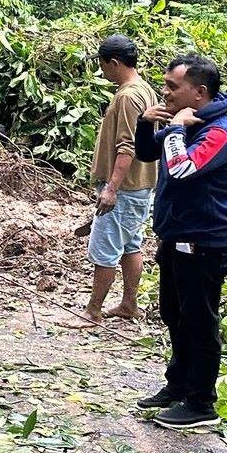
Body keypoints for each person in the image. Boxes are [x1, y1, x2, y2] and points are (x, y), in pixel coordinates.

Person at [133, 54, 227, 430]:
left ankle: (201, 403)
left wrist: (177, 129)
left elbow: (181, 169)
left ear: (198, 92)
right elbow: (149, 153)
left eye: (171, 87)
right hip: (175, 238)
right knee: (174, 315)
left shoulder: (220, 132)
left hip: (206, 244)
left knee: (199, 322)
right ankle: (177, 385)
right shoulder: (185, 121)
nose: (164, 93)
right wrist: (144, 124)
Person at [81, 35, 159, 323]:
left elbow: (127, 145)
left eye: (103, 65)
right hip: (141, 183)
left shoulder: (127, 96)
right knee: (130, 244)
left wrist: (111, 187)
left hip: (125, 187)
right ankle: (129, 304)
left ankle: (93, 311)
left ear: (114, 63)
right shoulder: (144, 90)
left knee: (106, 247)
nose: (102, 71)